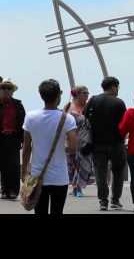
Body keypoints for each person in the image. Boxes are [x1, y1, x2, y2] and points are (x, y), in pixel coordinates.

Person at [21, 79, 77, 215]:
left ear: (41, 95)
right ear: (59, 95)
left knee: (39, 212)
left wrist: (24, 171)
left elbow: (26, 147)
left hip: (36, 176)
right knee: (57, 211)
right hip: (59, 177)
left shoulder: (30, 117)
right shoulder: (67, 118)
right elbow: (73, 148)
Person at [84, 76, 126, 211]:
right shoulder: (119, 103)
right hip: (116, 143)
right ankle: (115, 200)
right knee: (118, 171)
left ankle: (103, 200)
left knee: (100, 172)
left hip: (97, 143)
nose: (118, 89)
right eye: (117, 86)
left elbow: (85, 118)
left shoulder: (93, 100)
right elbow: (124, 125)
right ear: (113, 86)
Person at [64, 85, 94, 197]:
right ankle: (76, 187)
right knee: (73, 166)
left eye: (87, 93)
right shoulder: (69, 109)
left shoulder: (88, 107)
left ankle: (78, 187)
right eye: (84, 93)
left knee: (84, 165)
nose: (87, 95)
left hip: (86, 141)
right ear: (77, 94)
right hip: (72, 140)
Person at [0, 80, 26, 200]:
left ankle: (13, 190)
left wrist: (23, 139)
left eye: (8, 89)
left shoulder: (18, 105)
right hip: (1, 138)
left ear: (12, 91)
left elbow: (23, 123)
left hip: (14, 138)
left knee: (14, 165)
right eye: (3, 88)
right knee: (3, 165)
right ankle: (5, 190)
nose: (6, 91)